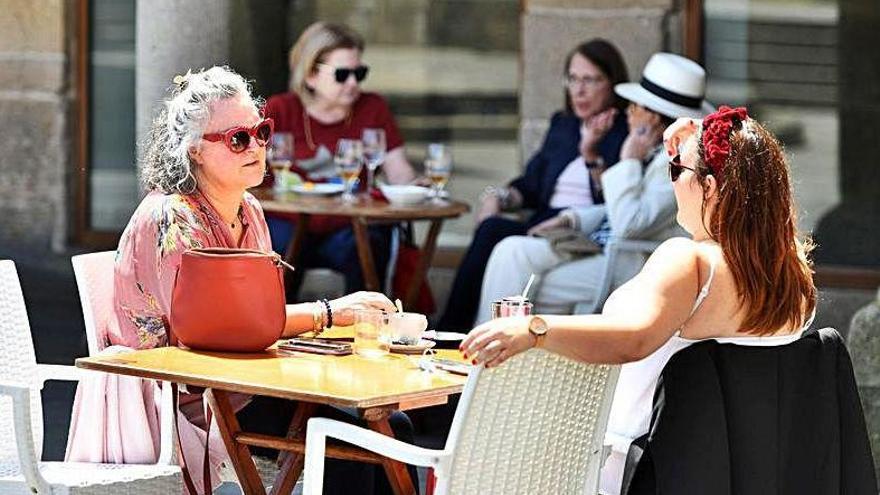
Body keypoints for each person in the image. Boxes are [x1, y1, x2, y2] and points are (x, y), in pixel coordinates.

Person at [65, 66, 413, 495]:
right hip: (186, 399)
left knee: (393, 425)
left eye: (261, 131)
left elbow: (259, 324)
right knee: (348, 443)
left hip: (241, 385)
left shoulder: (249, 209)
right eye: (238, 139)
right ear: (194, 150)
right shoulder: (173, 218)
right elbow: (225, 329)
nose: (257, 147)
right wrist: (329, 313)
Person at [461, 105, 818, 494]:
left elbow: (632, 339)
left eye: (675, 171)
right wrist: (700, 137)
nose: (673, 182)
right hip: (731, 472)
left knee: (477, 446)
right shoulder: (794, 276)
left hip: (627, 467)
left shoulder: (691, 260)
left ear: (711, 187)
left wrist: (534, 329)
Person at [476, 53, 713, 323]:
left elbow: (630, 223)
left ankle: (500, 351)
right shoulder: (655, 150)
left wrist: (629, 159)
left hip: (631, 261)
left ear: (654, 118)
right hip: (598, 244)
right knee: (510, 251)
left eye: (636, 106)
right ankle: (485, 344)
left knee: (532, 287)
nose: (629, 111)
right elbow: (616, 208)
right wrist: (571, 218)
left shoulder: (680, 162)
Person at [437, 38, 630, 332]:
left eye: (590, 80)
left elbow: (614, 201)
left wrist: (591, 151)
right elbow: (530, 185)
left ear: (612, 83)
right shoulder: (563, 125)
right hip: (542, 223)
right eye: (573, 79)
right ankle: (456, 329)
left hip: (580, 230)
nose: (579, 90)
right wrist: (498, 197)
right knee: (492, 227)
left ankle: (454, 330)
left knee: (493, 234)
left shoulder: (624, 135)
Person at [263, 22, 418, 296]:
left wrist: (418, 188)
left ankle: (367, 328)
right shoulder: (280, 110)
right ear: (311, 74)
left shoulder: (372, 107)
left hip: (348, 228)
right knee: (272, 244)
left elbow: (399, 171)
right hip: (287, 224)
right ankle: (275, 328)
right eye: (343, 74)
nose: (353, 83)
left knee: (370, 241)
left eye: (359, 73)